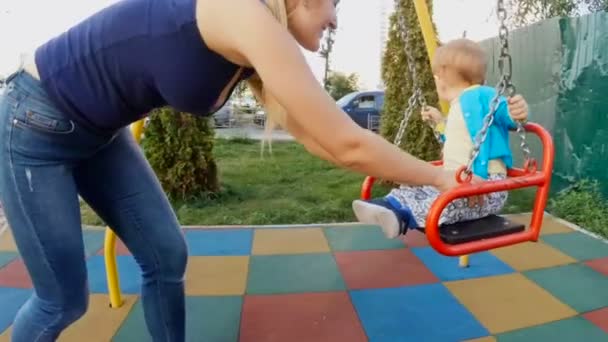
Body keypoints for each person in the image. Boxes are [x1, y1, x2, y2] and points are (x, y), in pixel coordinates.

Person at [0, 0, 530, 340]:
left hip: (101, 134)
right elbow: (347, 144)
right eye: (334, 3)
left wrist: (419, 175)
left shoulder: (252, 52)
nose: (337, 19)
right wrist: (439, 178)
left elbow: (324, 142)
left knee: (166, 255)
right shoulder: (242, 13)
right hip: (34, 120)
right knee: (62, 300)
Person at [352, 38, 527, 239]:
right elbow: (459, 140)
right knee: (420, 187)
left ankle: (402, 215)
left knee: (446, 203)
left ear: (443, 77)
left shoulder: (483, 94)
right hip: (458, 179)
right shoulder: (457, 105)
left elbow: (506, 114)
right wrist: (439, 122)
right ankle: (387, 205)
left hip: (486, 187)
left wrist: (517, 112)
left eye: (436, 76)